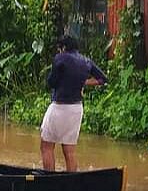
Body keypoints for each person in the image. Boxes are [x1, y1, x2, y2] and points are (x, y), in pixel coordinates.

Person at [40, 35, 107, 172]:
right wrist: (84, 82)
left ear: (63, 48)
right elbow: (102, 79)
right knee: (69, 150)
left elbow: (51, 82)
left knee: (46, 146)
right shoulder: (86, 61)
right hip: (76, 109)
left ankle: (48, 180)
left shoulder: (61, 58)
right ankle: (72, 181)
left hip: (59, 106)